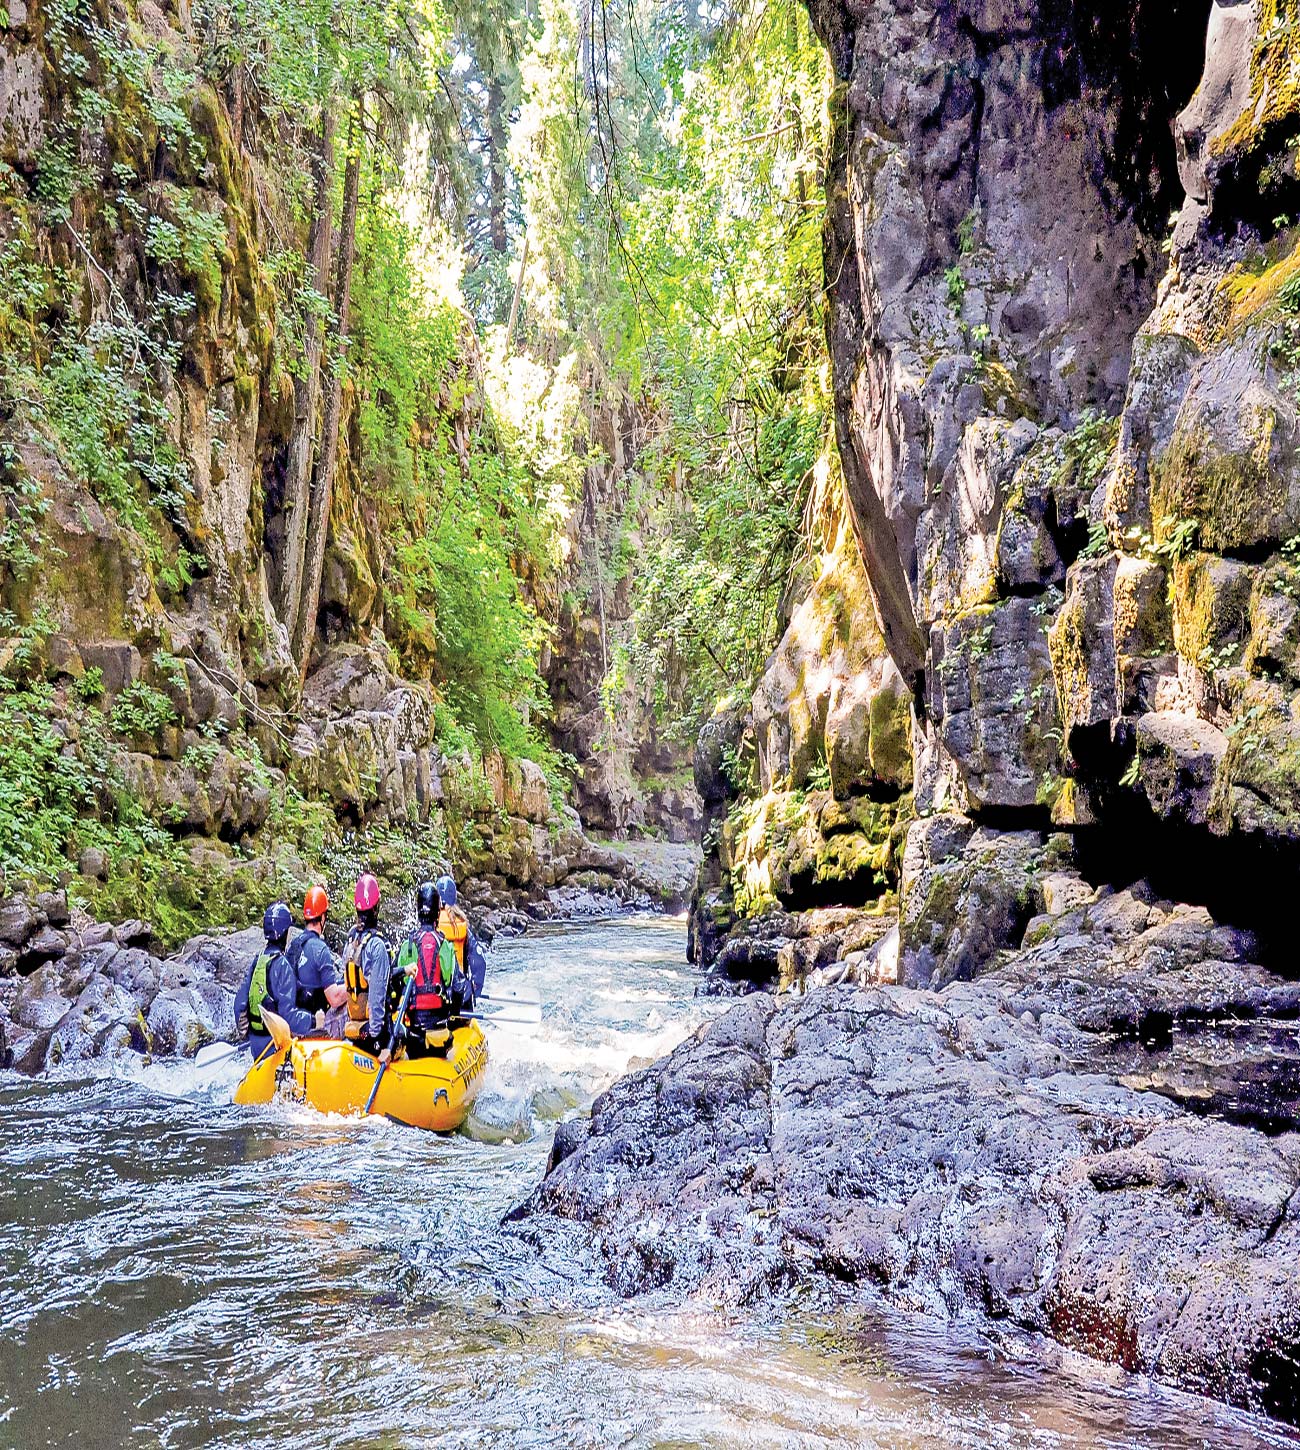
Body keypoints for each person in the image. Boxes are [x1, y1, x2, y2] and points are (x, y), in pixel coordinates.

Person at [234, 902, 318, 1058]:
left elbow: (240, 1004)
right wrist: (313, 1021)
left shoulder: (258, 960)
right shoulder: (282, 965)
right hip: (274, 1045)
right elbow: (288, 1016)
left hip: (256, 1044)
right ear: (285, 932)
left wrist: (247, 1031)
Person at [393, 882, 467, 1056]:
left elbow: (394, 983)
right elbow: (458, 987)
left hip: (413, 1036)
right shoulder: (445, 946)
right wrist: (453, 1016)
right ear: (437, 913)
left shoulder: (407, 946)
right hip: (439, 1031)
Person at [341, 873, 401, 1060]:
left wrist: (402, 971)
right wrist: (379, 1038)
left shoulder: (350, 942)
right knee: (407, 1035)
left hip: (354, 1029)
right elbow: (376, 997)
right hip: (373, 1036)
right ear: (376, 908)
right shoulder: (377, 946)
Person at [285, 884, 348, 1036]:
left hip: (295, 1019)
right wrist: (354, 986)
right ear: (323, 917)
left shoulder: (293, 945)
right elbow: (334, 998)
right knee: (348, 1001)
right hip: (315, 1021)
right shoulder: (320, 949)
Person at [434, 874, 487, 1005]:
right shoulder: (463, 925)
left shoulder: (430, 924)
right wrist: (475, 988)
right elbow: (479, 961)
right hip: (460, 995)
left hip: (435, 995)